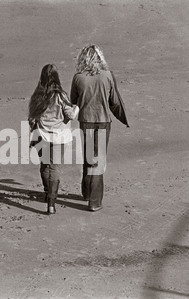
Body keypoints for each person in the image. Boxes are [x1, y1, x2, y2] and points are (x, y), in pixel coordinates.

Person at [70, 44, 129, 212]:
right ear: (100, 58)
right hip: (103, 122)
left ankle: (87, 193)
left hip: (85, 121)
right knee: (98, 160)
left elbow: (73, 101)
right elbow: (115, 101)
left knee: (89, 156)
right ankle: (95, 202)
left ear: (83, 58)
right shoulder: (107, 76)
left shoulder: (78, 77)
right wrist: (123, 118)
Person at [28, 64, 79, 215]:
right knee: (54, 167)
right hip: (59, 138)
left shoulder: (37, 95)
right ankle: (51, 203)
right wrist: (76, 107)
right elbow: (70, 115)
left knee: (45, 166)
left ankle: (46, 192)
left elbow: (31, 118)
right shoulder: (61, 96)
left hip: (40, 136)